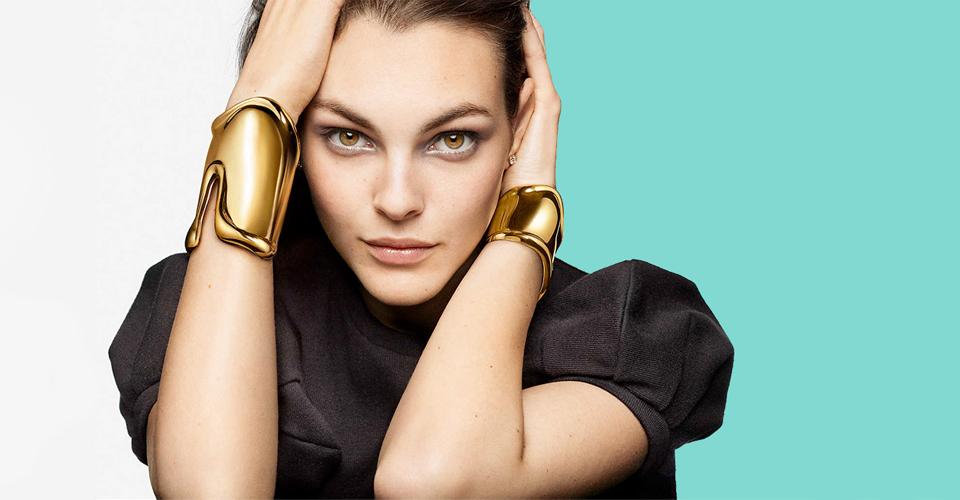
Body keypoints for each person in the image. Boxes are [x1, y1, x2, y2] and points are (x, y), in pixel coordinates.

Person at [106, 0, 736, 498]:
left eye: (452, 139)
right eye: (347, 136)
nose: (398, 199)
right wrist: (255, 105)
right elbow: (211, 493)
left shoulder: (625, 331)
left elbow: (432, 481)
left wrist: (526, 228)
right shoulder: (211, 303)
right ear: (290, 132)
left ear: (521, 127)